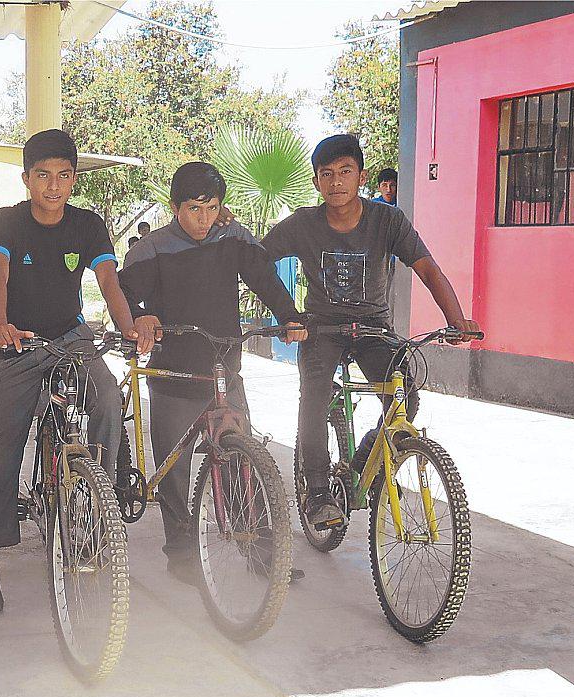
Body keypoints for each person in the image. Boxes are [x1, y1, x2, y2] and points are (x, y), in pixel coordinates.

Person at [262, 135, 479, 531]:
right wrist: (287, 313)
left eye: (345, 172)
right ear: (316, 182)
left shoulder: (386, 220)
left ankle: (360, 466)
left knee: (404, 400)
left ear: (361, 176)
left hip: (373, 329)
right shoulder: (303, 223)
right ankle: (317, 493)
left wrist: (457, 319)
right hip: (321, 329)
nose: (336, 182)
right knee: (313, 397)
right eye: (326, 174)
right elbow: (257, 261)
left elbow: (427, 269)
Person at [0, 129, 146, 613]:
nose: (54, 185)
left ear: (74, 179)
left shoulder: (88, 225)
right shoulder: (5, 222)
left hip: (71, 335)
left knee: (109, 398)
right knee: (4, 447)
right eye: (43, 175)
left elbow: (108, 279)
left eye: (64, 175)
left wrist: (127, 327)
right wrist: (1, 325)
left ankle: (99, 503)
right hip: (20, 343)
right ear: (27, 178)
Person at [119, 162, 305, 578]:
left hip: (225, 368)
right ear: (174, 207)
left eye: (211, 208)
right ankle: (181, 552)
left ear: (221, 207)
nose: (202, 219)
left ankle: (257, 548)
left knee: (244, 458)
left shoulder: (232, 237)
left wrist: (289, 316)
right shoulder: (152, 249)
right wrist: (140, 317)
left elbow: (265, 279)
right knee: (174, 468)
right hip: (173, 374)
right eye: (192, 209)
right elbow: (125, 295)